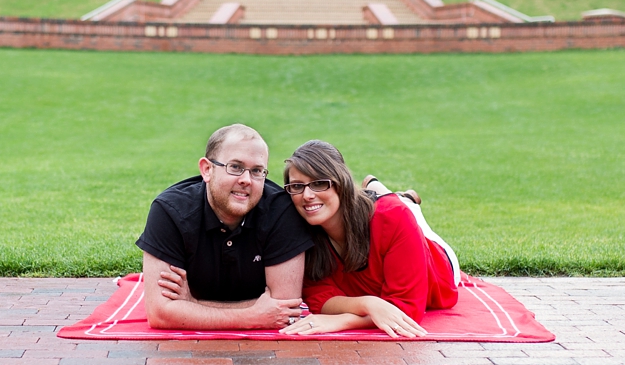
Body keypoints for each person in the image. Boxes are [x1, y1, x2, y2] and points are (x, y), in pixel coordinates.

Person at [137, 124, 314, 330]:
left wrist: (191, 305)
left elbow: (284, 310)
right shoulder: (170, 211)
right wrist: (252, 317)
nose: (246, 180)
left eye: (257, 171)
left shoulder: (281, 211)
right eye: (235, 167)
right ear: (207, 169)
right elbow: (160, 314)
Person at [279, 140, 461, 338]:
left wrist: (343, 320)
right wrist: (369, 303)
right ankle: (382, 191)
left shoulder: (394, 217)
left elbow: (406, 309)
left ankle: (403, 198)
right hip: (374, 214)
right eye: (297, 186)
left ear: (342, 183)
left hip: (438, 265)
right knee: (392, 208)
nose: (306, 195)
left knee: (405, 211)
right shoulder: (299, 228)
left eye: (319, 183)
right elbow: (317, 296)